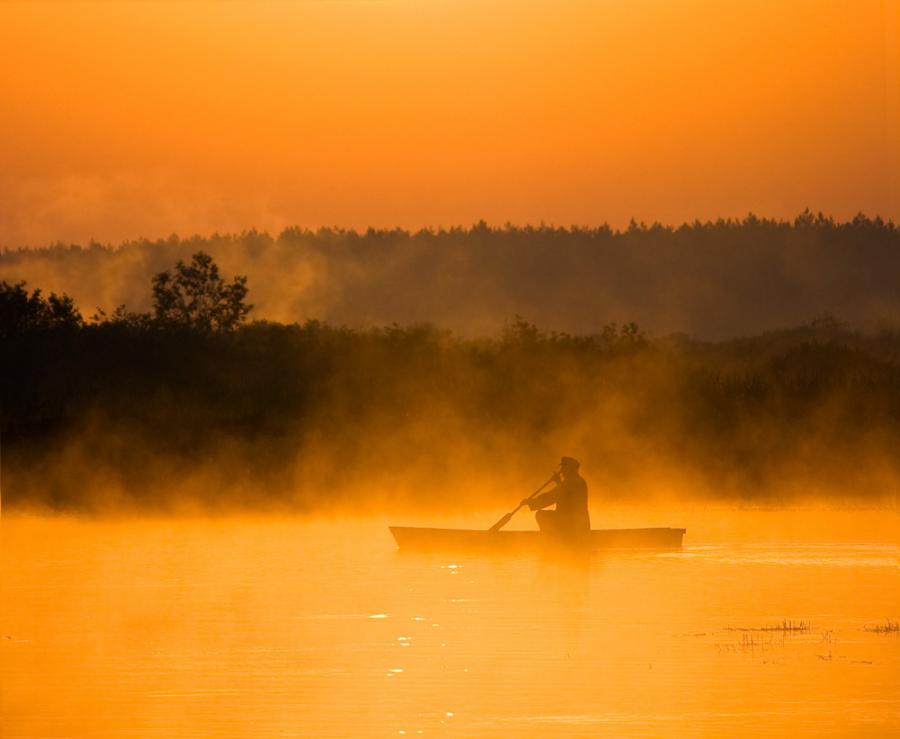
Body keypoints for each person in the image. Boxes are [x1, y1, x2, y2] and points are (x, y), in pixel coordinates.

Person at [522, 456, 590, 536]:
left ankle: (552, 539)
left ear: (570, 469)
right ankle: (554, 537)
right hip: (572, 521)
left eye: (564, 468)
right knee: (543, 514)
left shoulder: (575, 482)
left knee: (541, 515)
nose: (562, 471)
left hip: (573, 522)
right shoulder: (571, 481)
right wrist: (530, 502)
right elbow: (551, 495)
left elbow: (556, 496)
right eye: (562, 469)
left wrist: (531, 502)